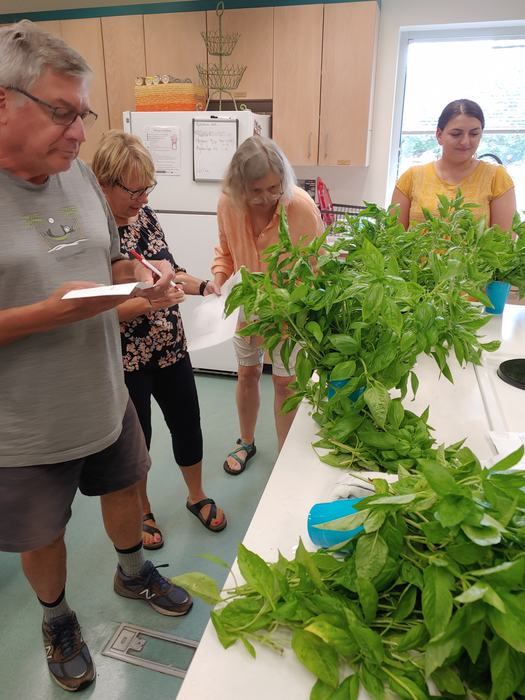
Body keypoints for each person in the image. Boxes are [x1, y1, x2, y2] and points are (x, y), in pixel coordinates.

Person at [0, 21, 192, 693]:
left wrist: (138, 277)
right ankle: (56, 618)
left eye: (82, 114)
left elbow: (109, 253)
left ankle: (132, 572)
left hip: (105, 396)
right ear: (2, 102)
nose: (79, 132)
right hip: (25, 426)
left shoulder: (78, 176)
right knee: (42, 531)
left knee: (122, 487)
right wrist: (47, 314)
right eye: (61, 112)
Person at [91, 130, 227, 548]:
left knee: (188, 423)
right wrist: (151, 304)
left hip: (171, 348)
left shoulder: (146, 218)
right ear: (104, 183)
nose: (143, 199)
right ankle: (144, 508)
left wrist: (204, 287)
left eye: (148, 188)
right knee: (140, 440)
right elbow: (100, 311)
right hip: (128, 360)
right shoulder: (96, 235)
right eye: (134, 190)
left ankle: (196, 494)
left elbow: (170, 272)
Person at [212, 135, 324, 474]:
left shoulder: (299, 206)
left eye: (274, 188)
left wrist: (291, 303)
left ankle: (284, 459)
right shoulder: (227, 204)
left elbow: (316, 268)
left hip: (291, 311)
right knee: (246, 374)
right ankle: (246, 441)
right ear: (239, 185)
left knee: (284, 383)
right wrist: (219, 277)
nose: (266, 198)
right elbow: (225, 251)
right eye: (256, 190)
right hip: (248, 304)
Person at [391, 99, 516, 230]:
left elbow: (503, 243)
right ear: (439, 135)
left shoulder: (496, 177)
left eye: (474, 134)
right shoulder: (411, 177)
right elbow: (392, 239)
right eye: (456, 134)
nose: (465, 142)